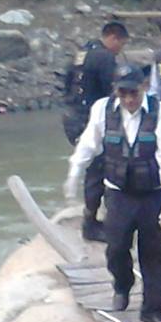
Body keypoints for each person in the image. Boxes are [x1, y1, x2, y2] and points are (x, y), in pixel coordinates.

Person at [64, 64, 161, 322]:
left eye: (134, 93)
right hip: (118, 195)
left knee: (155, 254)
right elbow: (88, 145)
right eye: (123, 93)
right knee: (116, 248)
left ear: (145, 89)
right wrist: (74, 172)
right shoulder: (103, 110)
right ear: (115, 91)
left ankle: (153, 308)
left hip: (153, 195)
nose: (129, 100)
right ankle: (122, 284)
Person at [62, 21, 130, 242]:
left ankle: (94, 217)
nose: (120, 50)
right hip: (88, 119)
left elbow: (66, 83)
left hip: (71, 117)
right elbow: (113, 91)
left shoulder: (81, 53)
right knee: (98, 169)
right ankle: (91, 223)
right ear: (114, 38)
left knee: (94, 166)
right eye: (121, 45)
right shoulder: (105, 57)